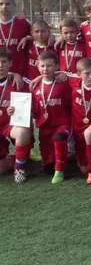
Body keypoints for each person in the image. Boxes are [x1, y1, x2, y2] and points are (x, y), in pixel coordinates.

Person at [31, 51, 72, 183]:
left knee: (59, 138)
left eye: (49, 66)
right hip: (45, 125)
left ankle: (60, 170)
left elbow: (70, 104)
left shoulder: (64, 83)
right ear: (38, 66)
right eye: (42, 66)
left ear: (56, 67)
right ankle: (61, 160)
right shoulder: (35, 86)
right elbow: (34, 107)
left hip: (62, 123)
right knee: (48, 168)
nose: (45, 69)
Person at [0, 48, 32, 182]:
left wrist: (59, 75)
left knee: (22, 131)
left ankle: (19, 168)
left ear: (10, 63)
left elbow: (42, 84)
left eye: (4, 62)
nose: (0, 65)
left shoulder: (18, 81)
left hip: (10, 125)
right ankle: (12, 157)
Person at [0, 0, 32, 77]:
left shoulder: (24, 23)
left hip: (20, 74)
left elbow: (42, 38)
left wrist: (28, 38)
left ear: (14, 5)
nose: (4, 7)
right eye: (1, 4)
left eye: (7, 3)